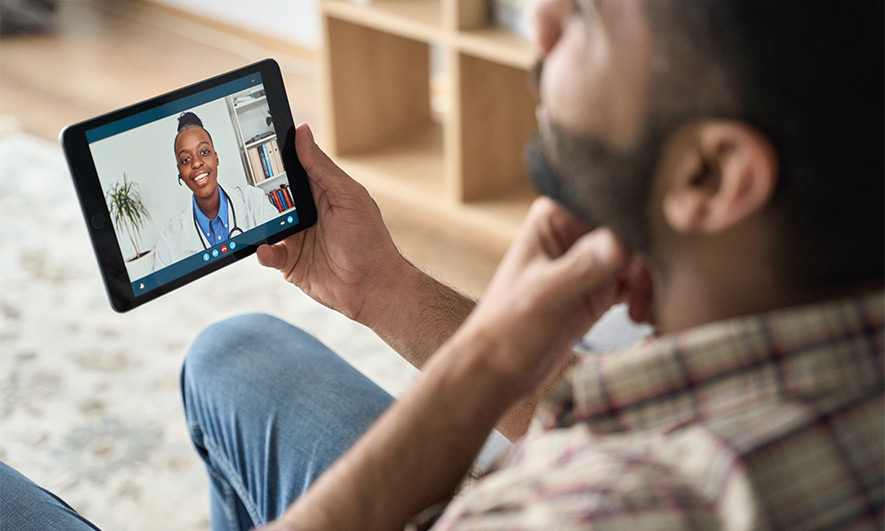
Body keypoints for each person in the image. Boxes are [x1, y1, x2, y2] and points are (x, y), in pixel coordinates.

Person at [1, 0, 882, 529]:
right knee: (235, 355)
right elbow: (651, 405)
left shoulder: (597, 506)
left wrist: (483, 363)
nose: (539, 18)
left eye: (592, 14)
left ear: (711, 175)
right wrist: (376, 284)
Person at [153, 111, 279, 270]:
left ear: (216, 157)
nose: (197, 163)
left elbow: (281, 255)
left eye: (204, 152)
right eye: (186, 159)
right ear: (180, 173)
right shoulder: (168, 243)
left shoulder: (254, 201)